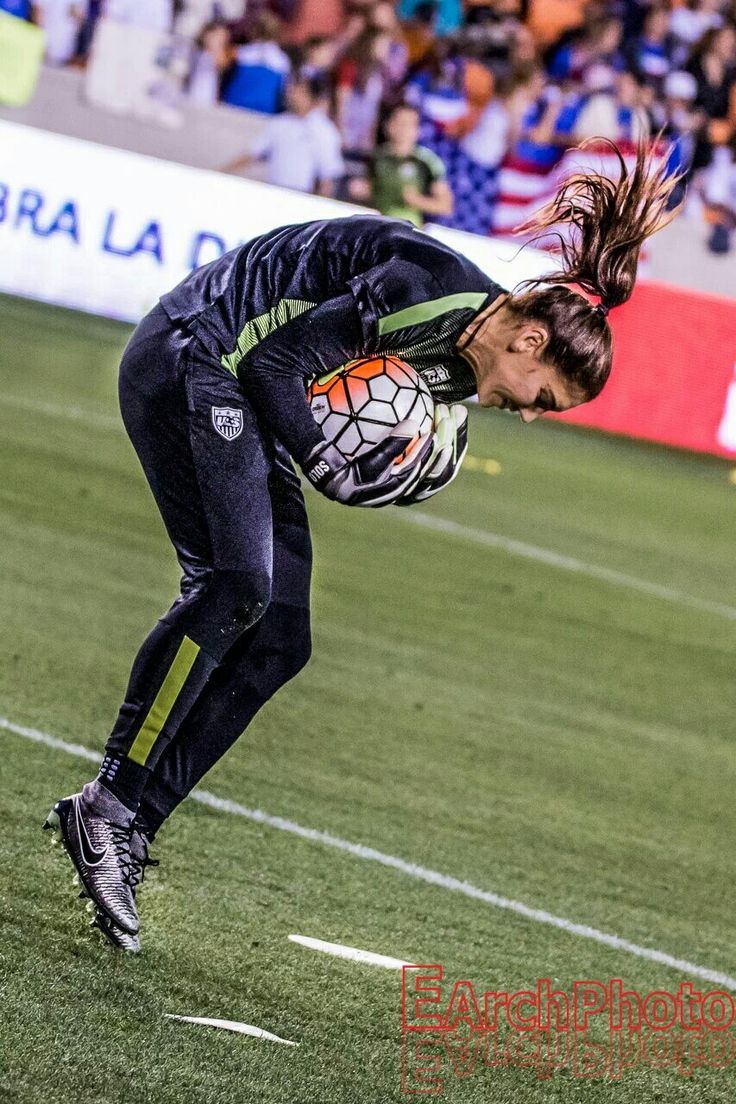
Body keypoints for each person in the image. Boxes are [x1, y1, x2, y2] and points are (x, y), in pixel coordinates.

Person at [44, 144, 678, 952]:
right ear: (526, 342)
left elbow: (315, 388)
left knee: (280, 638)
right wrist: (328, 459)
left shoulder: (461, 363)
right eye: (543, 400)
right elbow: (277, 361)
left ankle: (129, 826)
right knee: (235, 584)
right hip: (193, 353)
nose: (528, 415)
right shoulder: (425, 292)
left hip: (244, 388)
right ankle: (107, 803)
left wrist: (353, 454)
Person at [222, 75, 344, 196]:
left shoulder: (324, 131)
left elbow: (328, 178)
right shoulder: (280, 122)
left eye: (301, 92)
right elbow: (252, 154)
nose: (294, 94)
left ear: (313, 98)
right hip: (271, 192)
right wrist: (222, 172)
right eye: (295, 89)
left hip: (301, 197)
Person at [350, 101, 453, 225]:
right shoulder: (378, 156)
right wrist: (363, 191)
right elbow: (371, 189)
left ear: (417, 130)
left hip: (408, 227)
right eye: (400, 123)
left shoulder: (427, 161)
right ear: (389, 125)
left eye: (409, 124)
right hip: (376, 223)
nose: (403, 129)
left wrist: (417, 200)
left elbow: (445, 206)